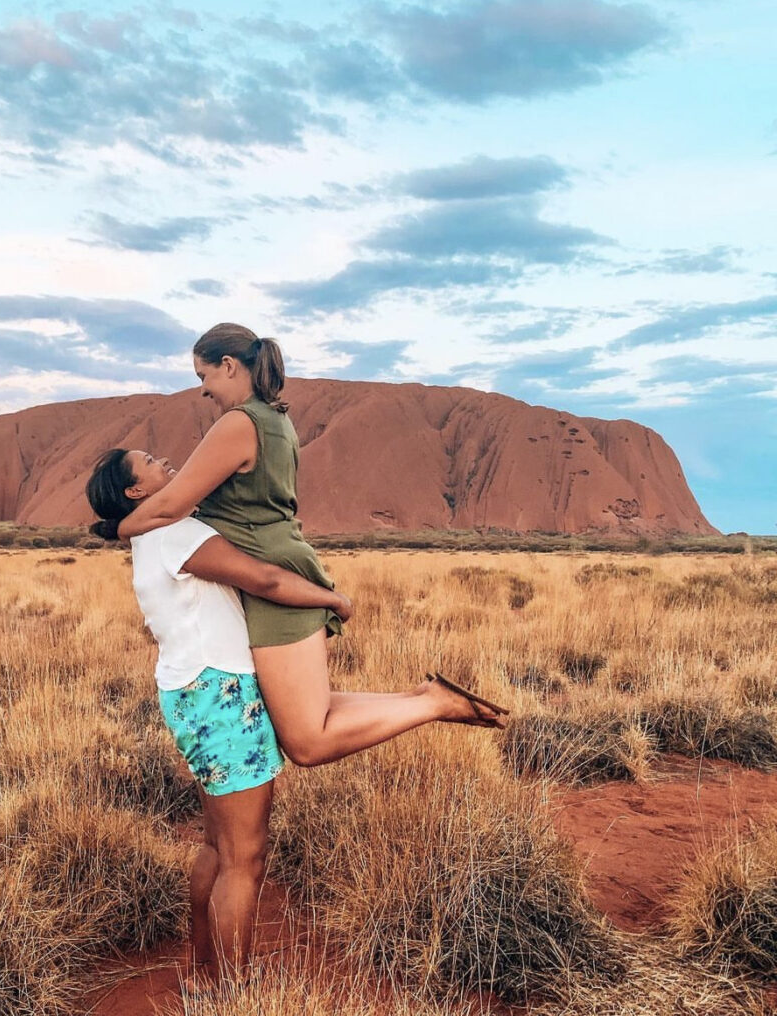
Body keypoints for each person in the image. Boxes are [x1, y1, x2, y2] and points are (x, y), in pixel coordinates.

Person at [116, 323, 508, 769]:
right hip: (282, 563)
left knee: (307, 743)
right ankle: (421, 697)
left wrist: (118, 529)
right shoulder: (274, 419)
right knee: (304, 717)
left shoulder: (239, 423)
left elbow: (170, 505)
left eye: (204, 377)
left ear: (228, 366)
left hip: (275, 580)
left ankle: (433, 703)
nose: (204, 391)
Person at [86, 447, 353, 990]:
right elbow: (265, 581)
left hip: (196, 694)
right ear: (136, 492)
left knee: (218, 847)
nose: (165, 461)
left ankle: (205, 970)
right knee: (243, 858)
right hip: (222, 696)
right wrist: (334, 600)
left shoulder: (149, 534)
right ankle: (232, 990)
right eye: (150, 462)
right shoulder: (173, 533)